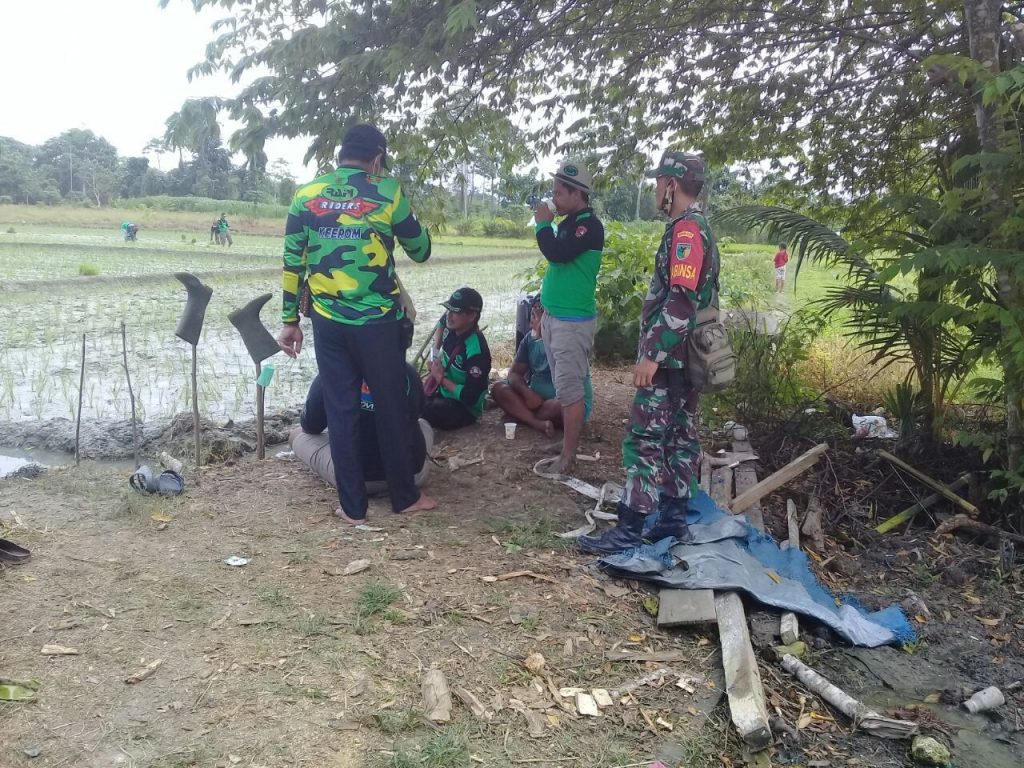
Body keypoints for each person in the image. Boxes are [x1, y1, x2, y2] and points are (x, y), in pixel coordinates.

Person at [276, 123, 436, 524]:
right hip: (378, 323)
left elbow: (292, 262)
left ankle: (352, 508)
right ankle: (404, 497)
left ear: (341, 154)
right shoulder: (388, 191)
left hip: (328, 323)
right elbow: (421, 250)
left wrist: (290, 321)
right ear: (377, 158)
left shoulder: (306, 195)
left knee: (341, 409)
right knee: (390, 406)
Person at [578, 151, 720, 555]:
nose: (656, 189)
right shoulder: (695, 226)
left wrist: (652, 354)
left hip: (671, 359)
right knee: (679, 439)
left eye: (659, 182)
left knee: (645, 440)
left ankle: (631, 527)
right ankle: (673, 520)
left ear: (672, 185)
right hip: (688, 358)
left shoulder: (687, 231)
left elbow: (681, 300)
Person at [532, 160, 604, 474]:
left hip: (572, 322)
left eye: (559, 193)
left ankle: (568, 456)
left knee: (570, 390)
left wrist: (542, 224)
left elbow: (557, 254)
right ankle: (566, 444)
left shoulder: (588, 226)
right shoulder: (569, 223)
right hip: (556, 318)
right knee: (564, 387)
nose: (554, 199)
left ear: (577, 194)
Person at [289, 363, 433, 493]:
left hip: (358, 482)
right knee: (423, 424)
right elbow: (418, 413)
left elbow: (311, 427)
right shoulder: (408, 370)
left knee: (296, 434)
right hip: (413, 475)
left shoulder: (331, 370)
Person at [491, 297, 592, 436]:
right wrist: (527, 393)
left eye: (536, 316)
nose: (531, 322)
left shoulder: (567, 342)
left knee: (563, 404)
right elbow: (514, 374)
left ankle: (521, 414)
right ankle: (536, 422)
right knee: (498, 389)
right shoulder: (529, 340)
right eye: (531, 315)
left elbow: (571, 390)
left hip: (563, 402)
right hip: (534, 400)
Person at [422, 287, 491, 431]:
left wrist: (440, 378)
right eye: (448, 309)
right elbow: (441, 323)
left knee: (418, 409)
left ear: (472, 316)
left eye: (456, 312)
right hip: (442, 394)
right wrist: (435, 354)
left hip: (463, 407)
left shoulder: (476, 351)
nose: (449, 315)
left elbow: (470, 397)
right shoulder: (452, 325)